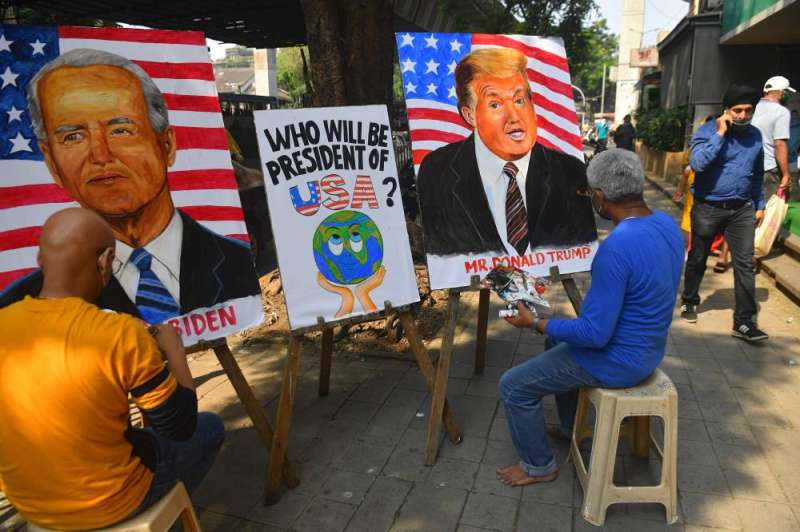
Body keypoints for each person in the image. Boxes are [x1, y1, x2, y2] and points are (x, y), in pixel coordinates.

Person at [0, 208, 224, 530]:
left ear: (40, 260)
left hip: (34, 508)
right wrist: (174, 351)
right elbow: (179, 427)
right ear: (105, 261)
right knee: (209, 428)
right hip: (110, 502)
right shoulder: (119, 334)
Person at [0, 48, 261, 322]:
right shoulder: (17, 310)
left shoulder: (237, 266)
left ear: (167, 144)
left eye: (121, 130)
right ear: (52, 163)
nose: (99, 155)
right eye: (74, 137)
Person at [496, 149, 683, 486]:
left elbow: (595, 334)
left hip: (620, 361)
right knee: (557, 338)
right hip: (649, 349)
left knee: (513, 385)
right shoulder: (666, 224)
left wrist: (535, 323)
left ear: (598, 196)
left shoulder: (617, 248)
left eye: (588, 194)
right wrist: (551, 329)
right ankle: (571, 429)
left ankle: (539, 466)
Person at [416, 47, 596, 257]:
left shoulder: (570, 172)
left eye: (520, 100)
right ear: (469, 115)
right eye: (495, 104)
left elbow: (578, 244)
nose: (514, 116)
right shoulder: (437, 171)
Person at [679, 85, 767, 342]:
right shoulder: (707, 131)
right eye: (737, 110)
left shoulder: (756, 136)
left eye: (747, 110)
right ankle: (689, 300)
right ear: (726, 110)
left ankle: (744, 322)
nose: (742, 115)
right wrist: (719, 134)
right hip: (708, 208)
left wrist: (759, 203)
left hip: (741, 210)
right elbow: (697, 164)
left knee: (745, 264)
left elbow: (757, 173)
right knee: (698, 257)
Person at [752, 75, 795, 200]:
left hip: (748, 166)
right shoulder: (781, 112)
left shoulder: (750, 108)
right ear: (782, 92)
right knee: (769, 213)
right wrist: (786, 174)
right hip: (769, 169)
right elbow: (779, 144)